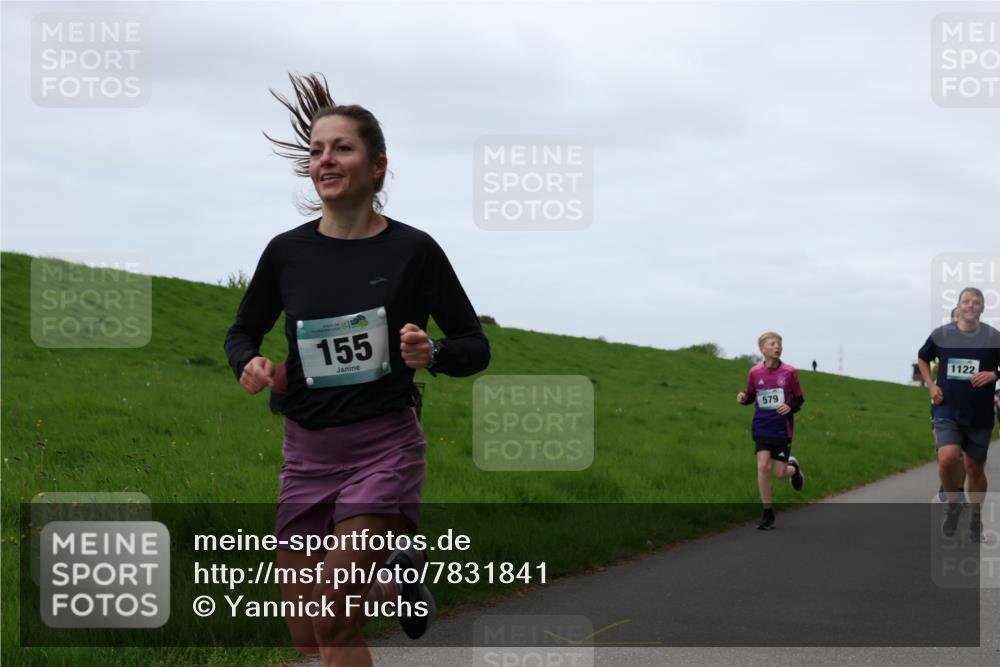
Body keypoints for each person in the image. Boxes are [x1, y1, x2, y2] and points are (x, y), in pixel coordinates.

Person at [224, 73, 490, 666]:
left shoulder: (414, 250)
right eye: (317, 150)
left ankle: (394, 561)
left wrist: (435, 353)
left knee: (333, 622)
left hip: (383, 450)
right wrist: (249, 363)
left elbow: (475, 344)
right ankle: (400, 571)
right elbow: (241, 331)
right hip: (305, 455)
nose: (325, 160)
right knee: (303, 636)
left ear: (378, 166)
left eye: (341, 148)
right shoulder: (286, 252)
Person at [917, 287, 1000, 543]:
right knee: (947, 458)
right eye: (966, 301)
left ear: (983, 308)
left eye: (976, 302)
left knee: (974, 469)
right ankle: (953, 503)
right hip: (947, 408)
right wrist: (931, 386)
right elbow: (922, 358)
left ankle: (975, 517)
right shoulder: (942, 334)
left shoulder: (993, 337)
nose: (970, 305)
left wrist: (995, 375)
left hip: (980, 413)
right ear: (959, 305)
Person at [736, 332, 806, 530]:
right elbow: (751, 395)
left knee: (780, 473)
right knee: (763, 467)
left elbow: (800, 399)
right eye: (772, 343)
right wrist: (743, 397)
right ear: (762, 349)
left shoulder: (790, 372)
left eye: (780, 343)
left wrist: (790, 406)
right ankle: (767, 513)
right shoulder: (754, 372)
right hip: (761, 426)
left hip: (782, 429)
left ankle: (794, 469)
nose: (777, 346)